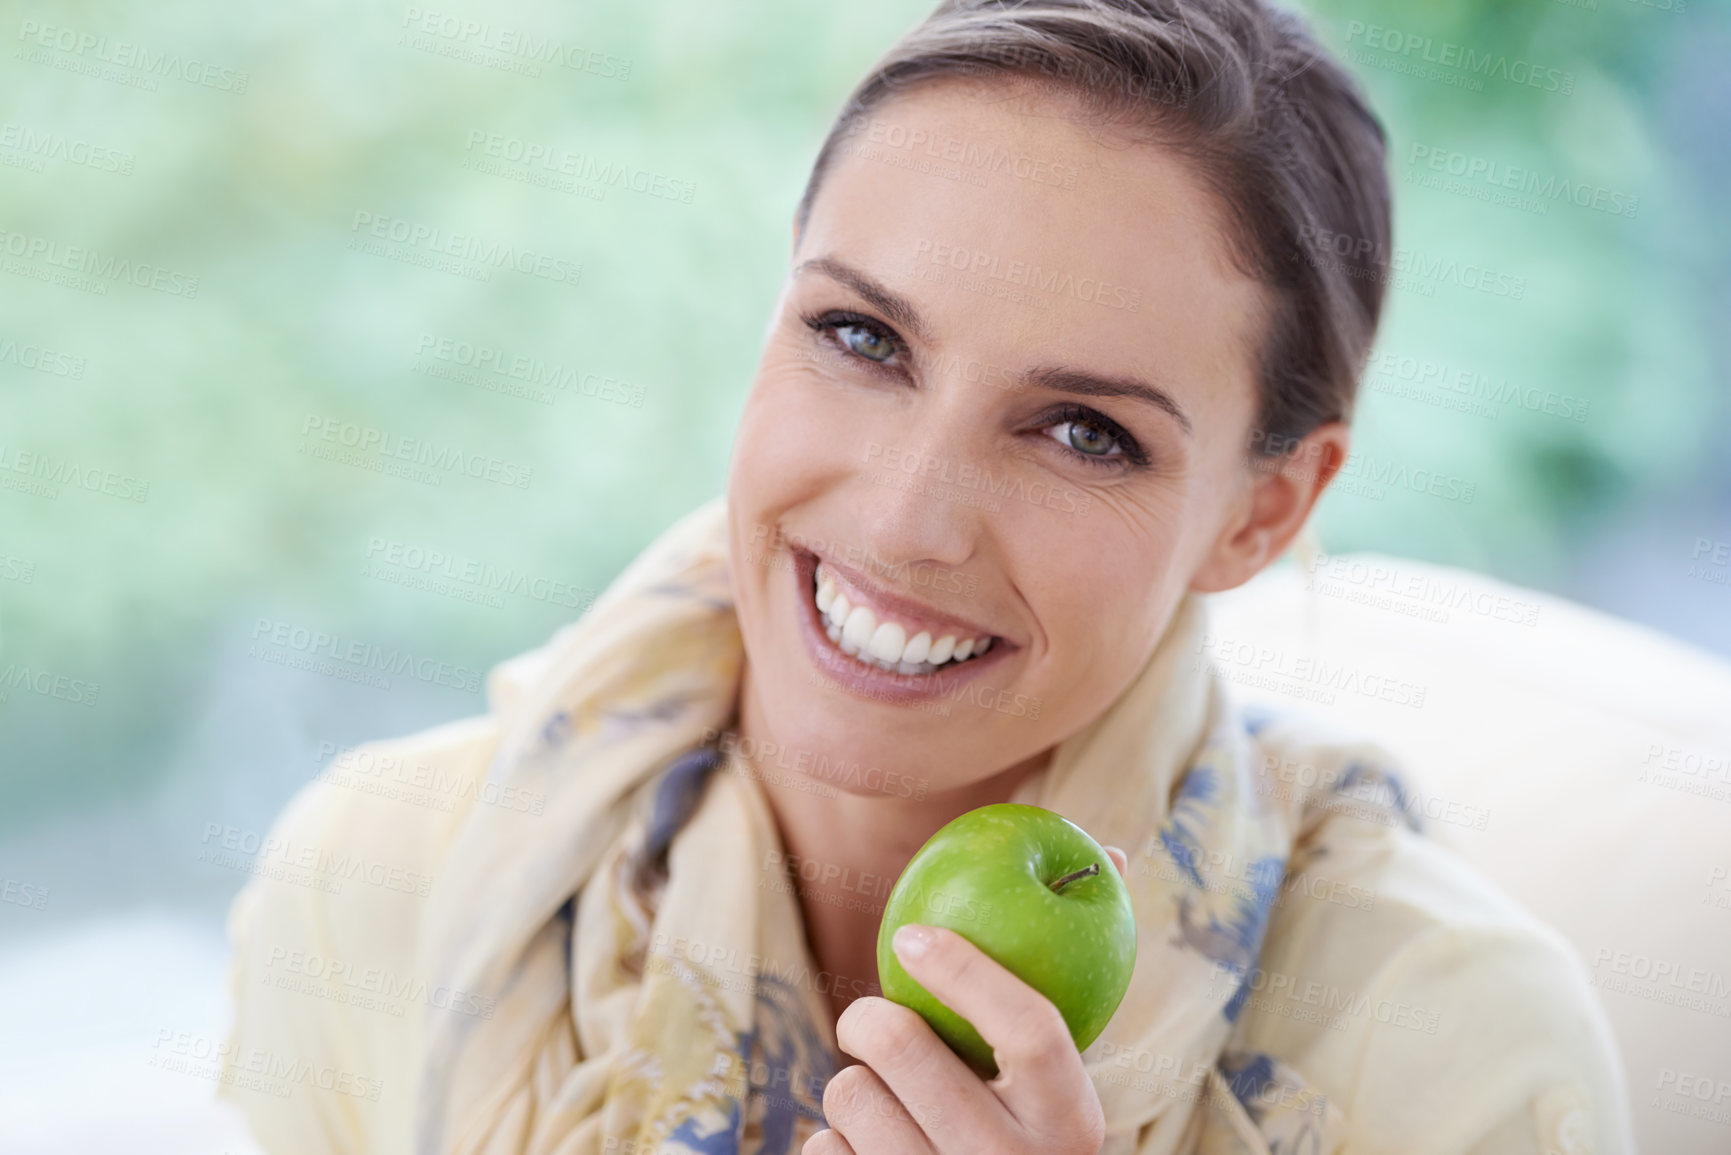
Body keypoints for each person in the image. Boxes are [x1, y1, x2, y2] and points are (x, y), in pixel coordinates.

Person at [218, 1, 1631, 1152]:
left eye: (1086, 433)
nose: (907, 523)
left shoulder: (1454, 1056)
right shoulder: (384, 884)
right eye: (861, 339)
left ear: (1260, 513)